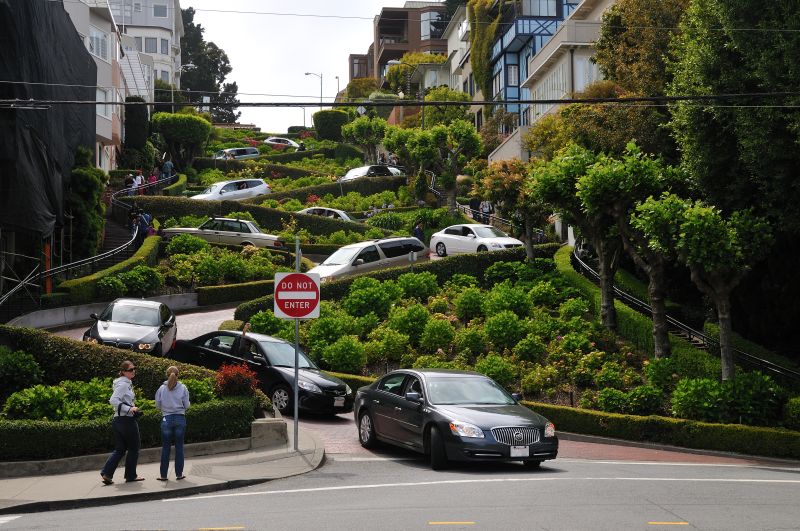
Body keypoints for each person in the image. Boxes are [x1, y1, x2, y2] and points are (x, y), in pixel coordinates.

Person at [100, 360, 144, 484]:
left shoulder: (124, 383)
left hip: (118, 420)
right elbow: (113, 400)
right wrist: (130, 408)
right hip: (126, 421)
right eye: (130, 370)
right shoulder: (124, 384)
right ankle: (130, 476)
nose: (133, 371)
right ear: (124, 372)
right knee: (134, 448)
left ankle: (107, 473)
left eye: (134, 369)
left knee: (120, 449)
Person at [155, 366, 190, 481]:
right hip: (180, 418)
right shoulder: (183, 388)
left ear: (167, 374)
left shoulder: (161, 388)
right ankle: (179, 474)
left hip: (166, 419)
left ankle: (163, 475)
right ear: (178, 375)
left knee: (166, 448)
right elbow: (187, 405)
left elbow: (157, 405)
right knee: (179, 447)